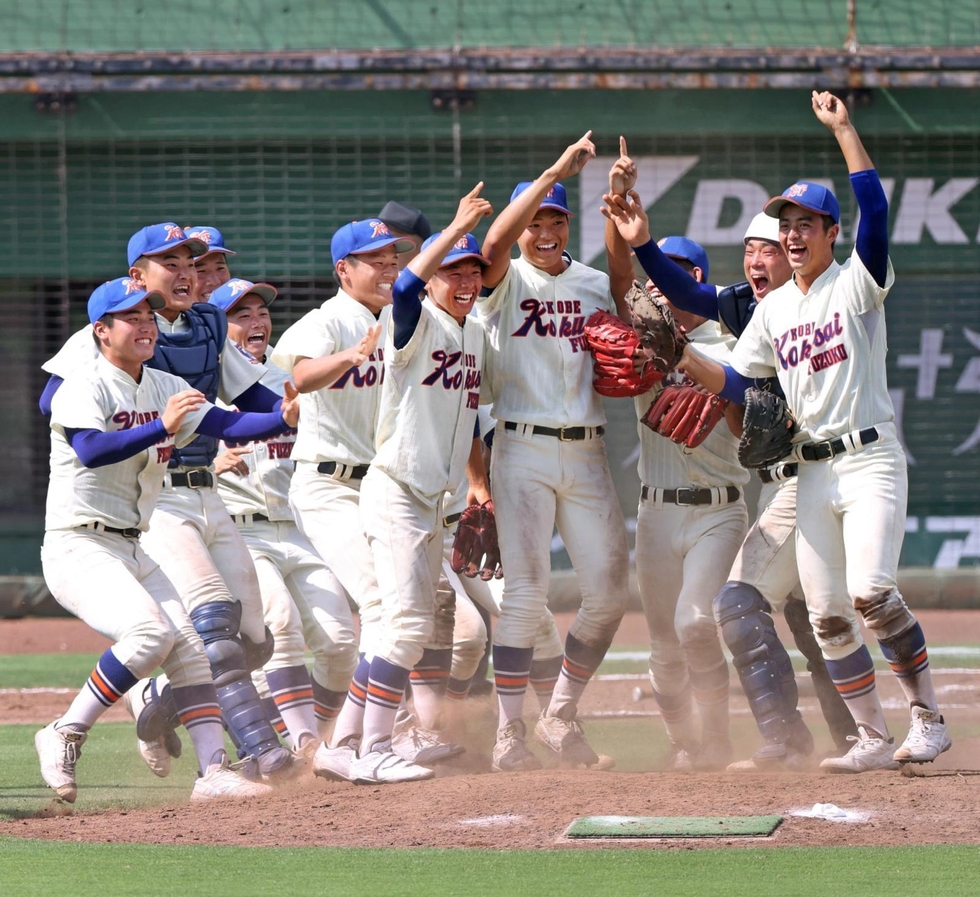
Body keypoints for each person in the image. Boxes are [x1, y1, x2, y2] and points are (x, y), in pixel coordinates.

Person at [671, 91, 951, 772]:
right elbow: (737, 383)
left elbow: (876, 212)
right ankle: (871, 737)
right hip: (812, 471)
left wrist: (845, 129)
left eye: (805, 223)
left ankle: (928, 719)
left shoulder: (857, 283)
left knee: (871, 592)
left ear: (831, 232)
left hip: (869, 456)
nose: (792, 234)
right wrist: (680, 354)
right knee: (827, 614)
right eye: (785, 223)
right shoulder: (772, 311)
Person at [603, 159, 857, 766]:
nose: (759, 259)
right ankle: (783, 737)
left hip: (814, 476)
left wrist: (707, 377)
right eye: (750, 249)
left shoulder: (816, 302)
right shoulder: (742, 312)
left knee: (809, 612)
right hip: (761, 488)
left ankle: (853, 732)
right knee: (754, 610)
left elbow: (743, 397)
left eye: (770, 247)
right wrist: (632, 232)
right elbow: (656, 289)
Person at [42, 223, 299, 782]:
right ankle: (70, 731)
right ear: (104, 327)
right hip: (89, 534)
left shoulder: (165, 378)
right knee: (171, 635)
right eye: (132, 316)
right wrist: (154, 425)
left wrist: (286, 416)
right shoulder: (87, 374)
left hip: (144, 532)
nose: (144, 324)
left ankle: (208, 767)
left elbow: (228, 420)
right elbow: (88, 446)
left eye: (148, 317)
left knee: (225, 643)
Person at [477, 133, 631, 772]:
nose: (545, 232)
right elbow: (491, 246)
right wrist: (553, 173)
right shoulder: (502, 279)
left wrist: (615, 208)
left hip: (587, 450)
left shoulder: (590, 282)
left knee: (610, 593)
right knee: (525, 593)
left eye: (556, 221)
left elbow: (620, 280)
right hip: (520, 447)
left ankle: (559, 714)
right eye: (534, 221)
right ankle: (508, 733)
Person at [351, 183, 495, 783]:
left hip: (433, 503)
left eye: (472, 271)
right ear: (433, 277)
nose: (465, 281)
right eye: (452, 271)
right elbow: (405, 287)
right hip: (397, 492)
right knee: (407, 627)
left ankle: (354, 743)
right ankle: (373, 750)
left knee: (405, 628)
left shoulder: (474, 333)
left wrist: (478, 486)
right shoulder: (413, 320)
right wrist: (453, 230)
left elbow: (471, 422)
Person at [270, 217, 416, 780]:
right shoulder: (325, 320)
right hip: (327, 484)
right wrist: (350, 357)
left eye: (393, 258)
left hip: (381, 484)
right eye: (375, 259)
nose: (388, 267)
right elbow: (302, 377)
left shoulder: (402, 319)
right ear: (343, 269)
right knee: (380, 604)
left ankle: (351, 740)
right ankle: (361, 743)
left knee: (404, 606)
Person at [210, 278, 359, 752]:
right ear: (218, 328)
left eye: (262, 312)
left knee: (340, 643)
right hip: (242, 530)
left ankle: (319, 740)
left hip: (300, 527)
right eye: (241, 315)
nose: (257, 321)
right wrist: (209, 460)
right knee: (281, 625)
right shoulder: (203, 379)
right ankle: (302, 743)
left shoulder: (291, 373)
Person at [620, 235, 750, 770]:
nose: (657, 285)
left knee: (695, 622)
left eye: (671, 272)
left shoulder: (736, 345)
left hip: (719, 509)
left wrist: (704, 376)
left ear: (695, 278)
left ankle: (717, 739)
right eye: (654, 275)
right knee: (664, 646)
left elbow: (745, 429)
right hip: (656, 511)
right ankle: (684, 742)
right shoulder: (641, 343)